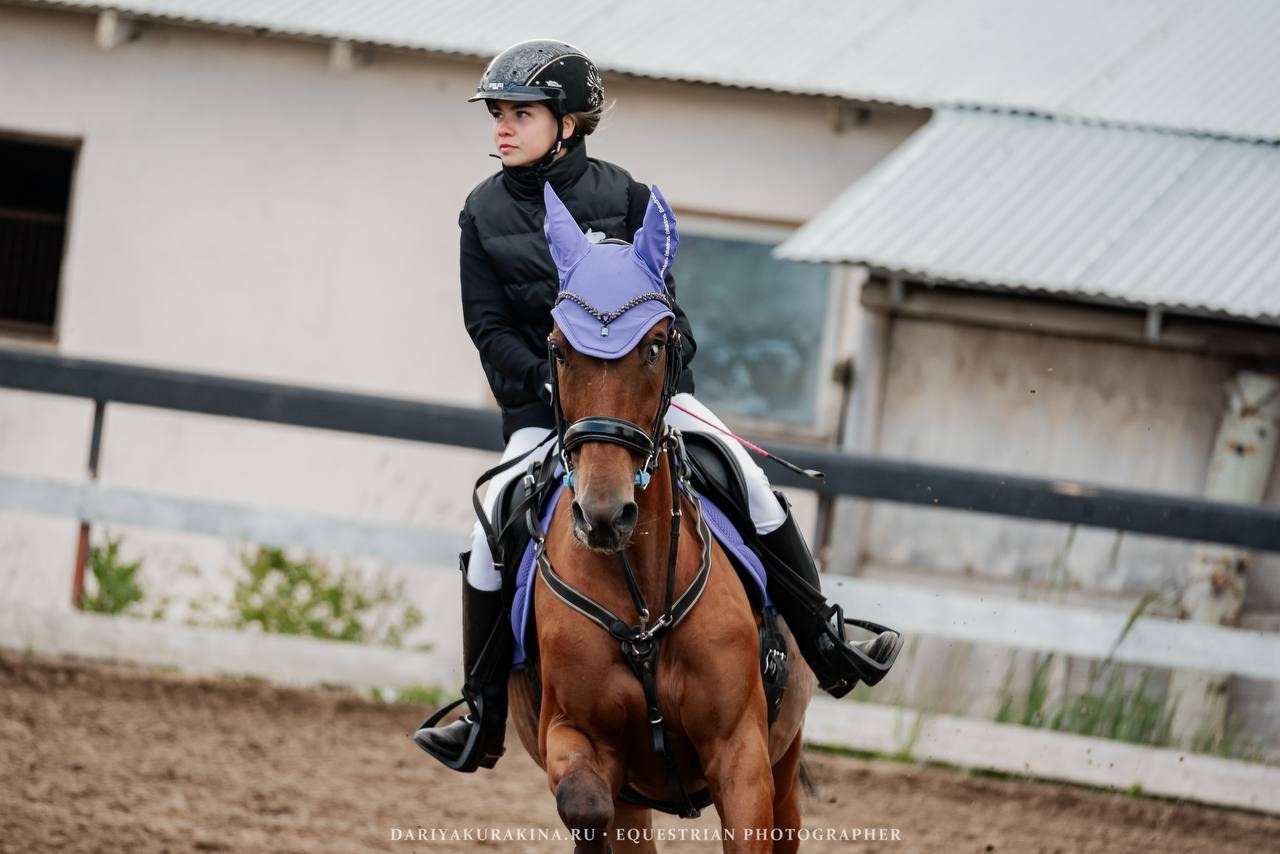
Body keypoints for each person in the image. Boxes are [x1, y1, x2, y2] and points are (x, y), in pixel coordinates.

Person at [414, 39, 900, 773]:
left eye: (520, 113)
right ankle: (482, 710)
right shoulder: (480, 214)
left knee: (749, 480)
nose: (502, 128)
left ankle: (825, 639)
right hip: (546, 417)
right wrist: (556, 391)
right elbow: (486, 329)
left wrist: (652, 388)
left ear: (569, 123)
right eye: (498, 115)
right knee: (490, 531)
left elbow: (670, 316)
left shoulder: (630, 199)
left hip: (645, 408)